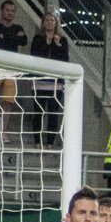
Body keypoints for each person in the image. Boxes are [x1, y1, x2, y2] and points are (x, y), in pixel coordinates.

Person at [0, 0, 27, 141]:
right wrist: (12, 38)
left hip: (10, 68)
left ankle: (3, 131)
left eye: (13, 11)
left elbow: (23, 40)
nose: (10, 13)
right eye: (8, 10)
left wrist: (5, 36)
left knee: (8, 101)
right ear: (2, 10)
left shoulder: (18, 27)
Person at [29, 11, 68, 147]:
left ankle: (50, 142)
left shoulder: (62, 40)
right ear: (43, 23)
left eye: (52, 20)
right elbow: (35, 56)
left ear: (56, 23)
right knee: (38, 113)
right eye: (47, 20)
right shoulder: (38, 39)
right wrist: (47, 43)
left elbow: (64, 60)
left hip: (55, 84)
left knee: (53, 114)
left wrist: (57, 45)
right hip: (39, 82)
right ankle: (37, 141)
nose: (50, 23)